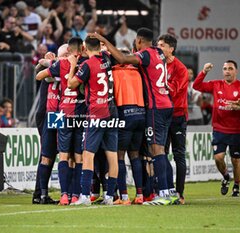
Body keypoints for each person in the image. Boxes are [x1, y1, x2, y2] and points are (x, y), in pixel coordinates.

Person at [91, 28, 173, 205]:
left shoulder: (138, 59)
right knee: (155, 152)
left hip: (153, 108)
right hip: (163, 105)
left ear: (138, 40)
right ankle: (163, 191)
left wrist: (104, 40)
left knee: (154, 150)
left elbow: (122, 59)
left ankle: (161, 194)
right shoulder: (159, 53)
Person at [67, 36, 119, 205]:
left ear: (84, 47)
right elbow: (113, 54)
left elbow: (71, 85)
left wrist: (73, 65)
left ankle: (84, 196)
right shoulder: (107, 58)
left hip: (97, 112)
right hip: (112, 111)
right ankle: (110, 196)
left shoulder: (87, 65)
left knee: (88, 154)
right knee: (112, 156)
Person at [36, 37, 86, 205]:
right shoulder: (77, 64)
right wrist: (47, 61)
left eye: (66, 54)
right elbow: (39, 70)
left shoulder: (59, 65)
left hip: (62, 111)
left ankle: (68, 193)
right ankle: (43, 194)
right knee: (48, 155)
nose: (65, 56)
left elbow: (40, 72)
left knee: (69, 156)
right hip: (55, 113)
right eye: (62, 54)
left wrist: (50, 62)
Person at [193, 61, 240, 197]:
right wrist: (204, 72)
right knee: (219, 158)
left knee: (235, 160)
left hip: (236, 130)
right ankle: (226, 177)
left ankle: (236, 185)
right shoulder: (216, 84)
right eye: (225, 68)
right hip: (219, 129)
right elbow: (197, 85)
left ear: (236, 71)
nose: (227, 71)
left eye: (230, 69)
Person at [111, 49, 145, 205]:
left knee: (119, 156)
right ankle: (140, 194)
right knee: (135, 155)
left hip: (125, 113)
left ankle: (124, 196)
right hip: (140, 113)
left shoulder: (115, 72)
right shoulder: (138, 72)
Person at [157, 34, 188, 204]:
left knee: (178, 155)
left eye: (162, 45)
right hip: (162, 115)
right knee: (161, 153)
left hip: (177, 116)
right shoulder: (158, 65)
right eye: (157, 44)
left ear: (171, 49)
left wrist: (159, 81)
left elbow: (174, 90)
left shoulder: (180, 68)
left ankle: (180, 192)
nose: (158, 48)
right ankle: (165, 189)